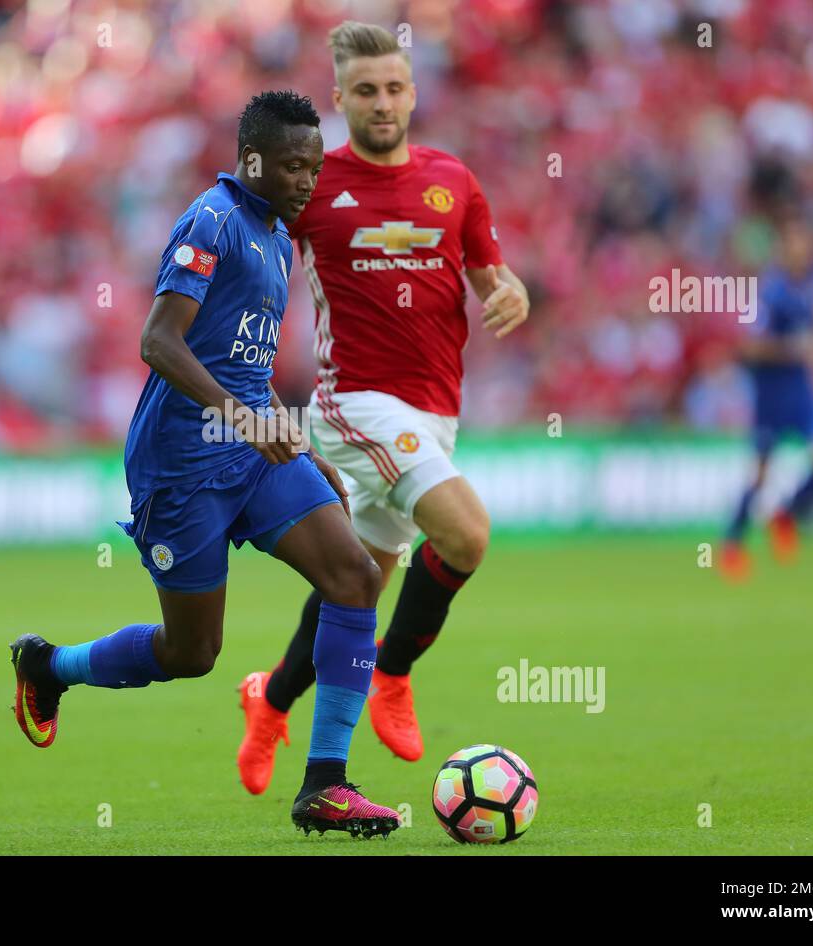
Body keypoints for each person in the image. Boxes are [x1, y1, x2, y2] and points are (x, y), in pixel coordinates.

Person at [9, 90, 400, 838]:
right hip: (180, 463)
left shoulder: (278, 239)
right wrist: (249, 420)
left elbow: (242, 360)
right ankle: (48, 666)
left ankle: (326, 784)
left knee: (355, 575)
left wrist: (291, 436)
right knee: (193, 652)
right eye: (291, 165)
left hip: (250, 453)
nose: (306, 180)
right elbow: (159, 342)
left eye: (314, 167)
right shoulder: (211, 221)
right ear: (250, 159)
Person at [236, 22, 530, 794]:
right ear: (340, 98)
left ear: (412, 91)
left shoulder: (454, 181)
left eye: (394, 88)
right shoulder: (312, 184)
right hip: (354, 403)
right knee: (466, 534)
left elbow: (490, 272)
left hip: (434, 409)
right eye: (365, 91)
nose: (382, 103)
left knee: (354, 582)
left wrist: (510, 291)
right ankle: (391, 675)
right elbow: (246, 250)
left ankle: (270, 699)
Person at [721, 217, 813, 581]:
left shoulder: (808, 288)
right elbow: (749, 346)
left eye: (805, 245)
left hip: (801, 393)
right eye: (795, 244)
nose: (801, 252)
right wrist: (795, 349)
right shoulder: (769, 293)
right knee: (759, 476)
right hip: (771, 396)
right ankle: (731, 544)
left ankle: (785, 513)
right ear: (784, 249)